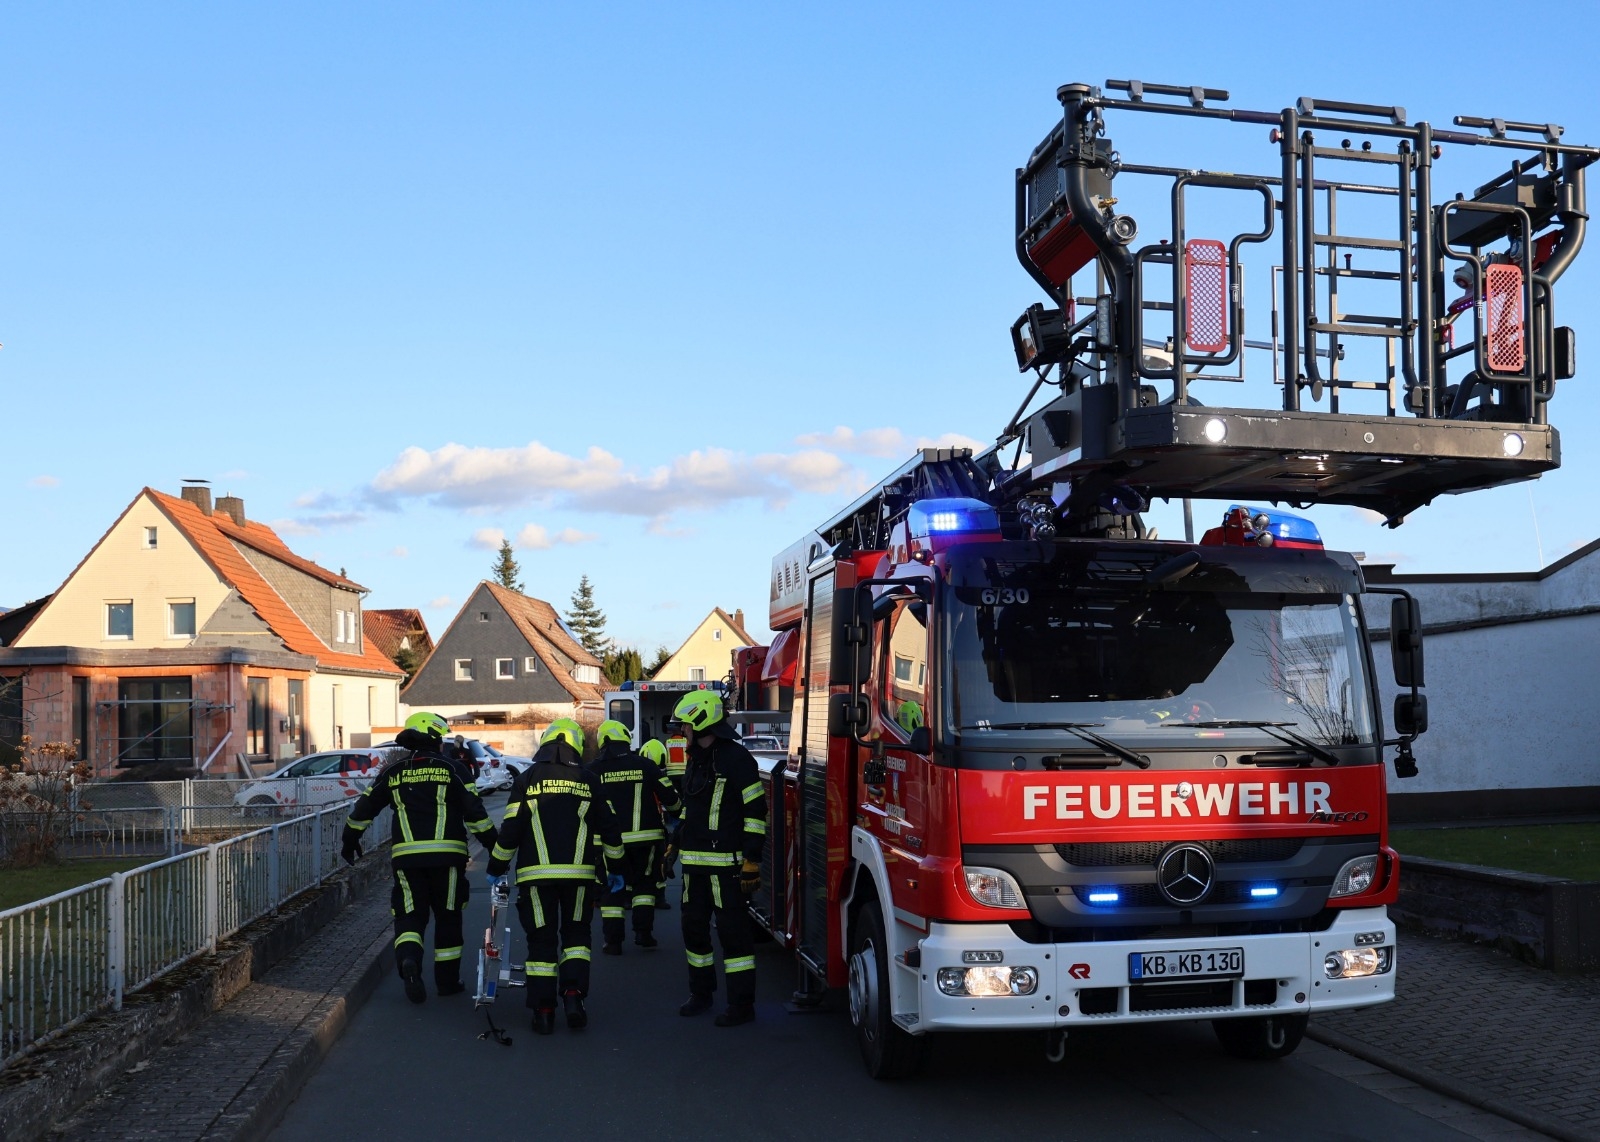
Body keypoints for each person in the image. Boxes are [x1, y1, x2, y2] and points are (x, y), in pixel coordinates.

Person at [342, 711, 498, 1004]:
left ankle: (409, 962)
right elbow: (476, 816)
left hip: (407, 860)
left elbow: (362, 812)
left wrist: (349, 841)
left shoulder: (393, 771)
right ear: (435, 740)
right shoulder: (453, 769)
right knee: (448, 917)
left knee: (410, 916)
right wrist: (496, 851)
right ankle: (447, 982)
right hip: (447, 858)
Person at [487, 718, 627, 1034]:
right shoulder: (588, 780)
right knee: (576, 937)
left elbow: (510, 830)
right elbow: (610, 829)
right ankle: (574, 996)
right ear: (577, 746)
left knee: (541, 942)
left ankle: (544, 1011)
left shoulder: (527, 779)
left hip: (536, 879)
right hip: (579, 877)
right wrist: (616, 869)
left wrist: (496, 868)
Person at [671, 690, 767, 1027]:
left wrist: (752, 860)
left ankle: (742, 1005)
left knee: (734, 939)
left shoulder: (738, 760)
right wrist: (673, 845)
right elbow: (690, 809)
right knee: (694, 933)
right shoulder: (695, 760)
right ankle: (701, 994)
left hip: (727, 869)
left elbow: (756, 812)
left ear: (699, 722)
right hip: (694, 869)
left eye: (684, 725)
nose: (681, 731)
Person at [588, 721, 681, 954]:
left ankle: (613, 942)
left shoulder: (592, 770)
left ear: (603, 741)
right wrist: (680, 815)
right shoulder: (645, 765)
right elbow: (671, 799)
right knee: (644, 886)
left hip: (608, 844)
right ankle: (644, 933)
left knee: (612, 889)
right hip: (646, 841)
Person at [640, 738, 677, 908]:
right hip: (655, 828)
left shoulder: (638, 775)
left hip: (642, 827)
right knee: (659, 862)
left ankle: (633, 897)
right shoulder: (661, 777)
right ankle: (659, 898)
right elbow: (673, 802)